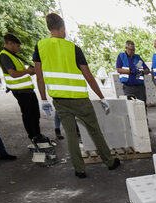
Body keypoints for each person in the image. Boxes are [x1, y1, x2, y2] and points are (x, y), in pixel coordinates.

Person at [33, 13, 119, 178]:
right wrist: (101, 97)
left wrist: (43, 99)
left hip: (60, 101)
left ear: (49, 27)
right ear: (62, 27)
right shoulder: (73, 48)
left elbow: (39, 76)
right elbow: (88, 75)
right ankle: (109, 162)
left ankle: (80, 170)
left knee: (71, 135)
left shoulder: (40, 47)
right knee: (95, 130)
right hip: (80, 100)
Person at [0, 33, 49, 144]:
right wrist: (27, 71)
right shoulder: (4, 56)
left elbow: (19, 72)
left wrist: (29, 72)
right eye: (17, 46)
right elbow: (13, 73)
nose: (19, 48)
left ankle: (38, 134)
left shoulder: (12, 55)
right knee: (28, 114)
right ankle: (34, 136)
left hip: (27, 90)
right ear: (10, 43)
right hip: (20, 91)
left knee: (35, 113)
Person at [116, 40, 150, 107]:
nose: (132, 52)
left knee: (142, 106)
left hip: (140, 86)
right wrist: (130, 71)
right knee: (131, 106)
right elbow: (118, 69)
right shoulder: (121, 56)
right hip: (128, 87)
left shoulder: (137, 58)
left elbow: (147, 70)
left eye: (133, 50)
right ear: (126, 48)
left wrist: (142, 71)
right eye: (131, 50)